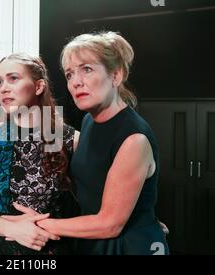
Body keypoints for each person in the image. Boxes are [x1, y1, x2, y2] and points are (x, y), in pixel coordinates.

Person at [15, 31, 169, 255]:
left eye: (86, 69)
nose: (76, 82)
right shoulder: (89, 121)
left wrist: (38, 224)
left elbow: (110, 224)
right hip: (92, 241)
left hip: (128, 246)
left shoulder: (134, 139)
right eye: (69, 74)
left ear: (116, 76)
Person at [0, 53, 80, 255]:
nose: (4, 88)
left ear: (38, 86)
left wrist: (49, 226)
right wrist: (13, 229)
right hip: (0, 249)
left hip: (52, 247)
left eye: (13, 78)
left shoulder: (71, 139)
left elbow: (91, 207)